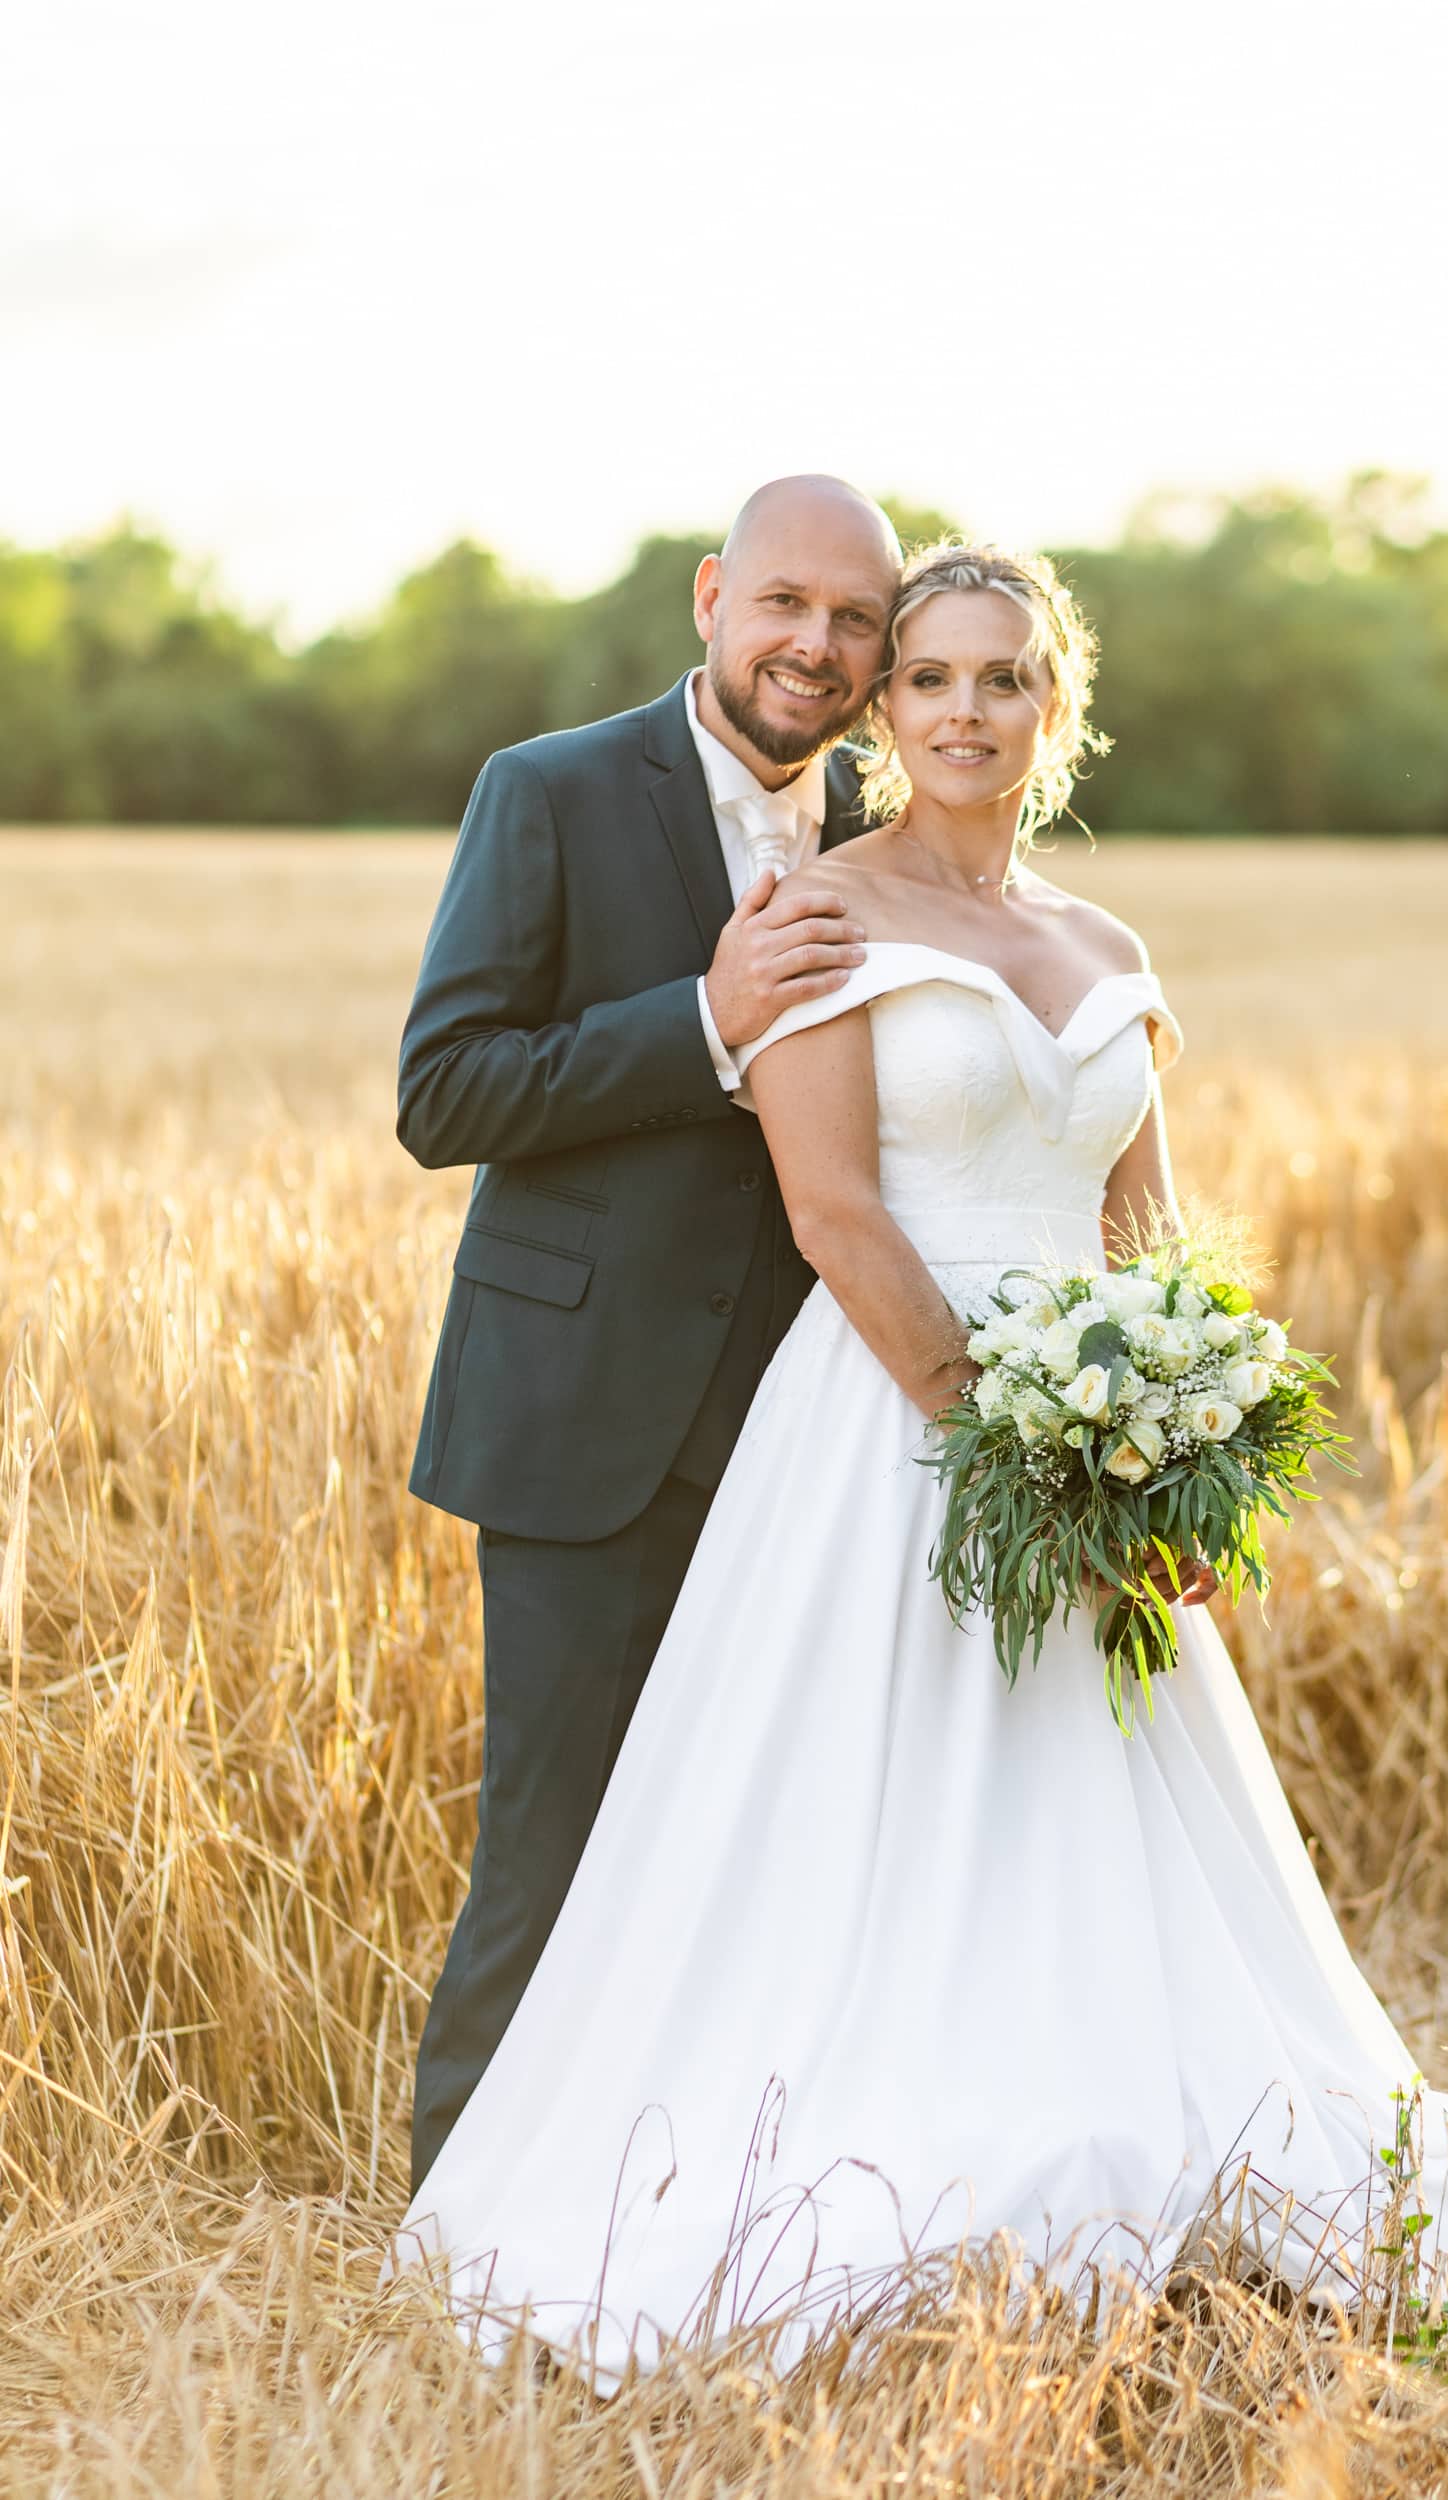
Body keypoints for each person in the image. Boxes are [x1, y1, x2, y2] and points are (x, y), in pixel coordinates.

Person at [397, 541, 1448, 2376]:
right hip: (899, 1438)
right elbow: (833, 1216)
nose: (965, 710)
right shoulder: (823, 913)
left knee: (1091, 1808)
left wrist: (1183, 1449)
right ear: (888, 712)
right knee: (806, 1842)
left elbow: (1155, 1233)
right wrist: (1014, 1452)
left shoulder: (1108, 948)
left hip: (1089, 1434)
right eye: (936, 679)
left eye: (1005, 680)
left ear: (1059, 711)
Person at [396, 475, 903, 2193]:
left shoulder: (902, 837)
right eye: (785, 604)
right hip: (582, 1423)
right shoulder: (545, 793)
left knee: (752, 1855)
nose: (814, 647)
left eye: (853, 621)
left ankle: (691, 2217)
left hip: (807, 1438)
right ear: (711, 596)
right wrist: (703, 1019)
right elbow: (444, 1090)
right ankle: (455, 2230)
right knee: (547, 1857)